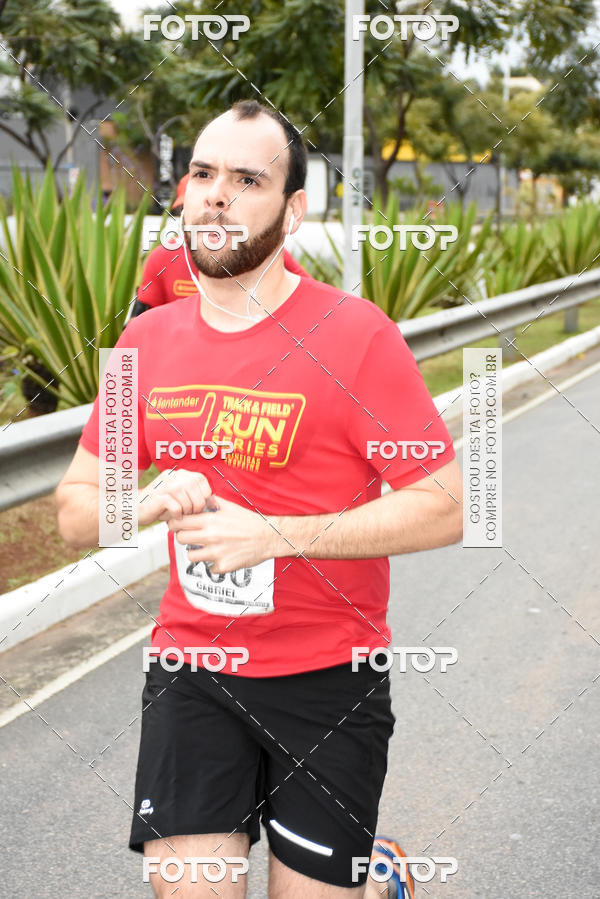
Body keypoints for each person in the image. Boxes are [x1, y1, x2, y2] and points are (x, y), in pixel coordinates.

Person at [56, 99, 462, 898]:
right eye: (204, 173)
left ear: (294, 208)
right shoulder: (144, 343)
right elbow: (75, 511)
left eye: (248, 179)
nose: (217, 194)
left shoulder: (358, 335)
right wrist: (142, 503)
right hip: (193, 668)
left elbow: (449, 504)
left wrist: (276, 534)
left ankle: (377, 877)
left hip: (328, 677)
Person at [127, 172, 310, 322]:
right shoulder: (163, 258)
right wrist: (113, 367)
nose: (208, 218)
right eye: (194, 208)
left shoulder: (259, 253)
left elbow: (310, 300)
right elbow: (134, 331)